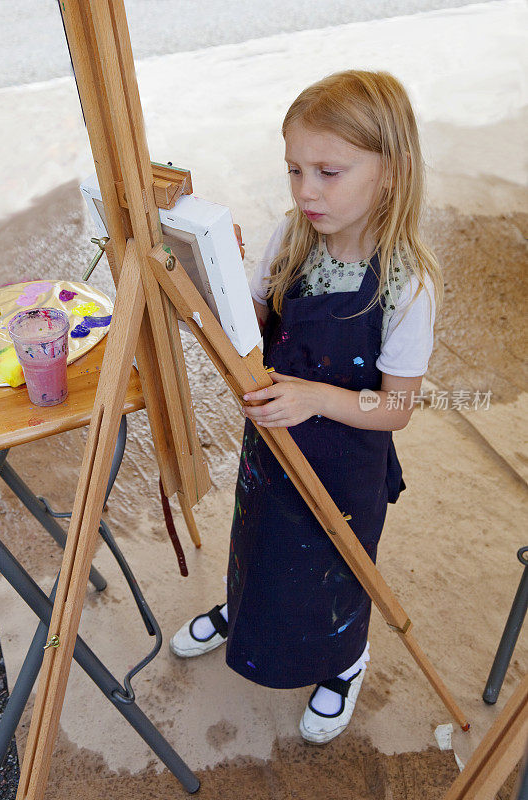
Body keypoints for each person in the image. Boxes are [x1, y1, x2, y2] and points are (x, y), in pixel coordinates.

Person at [170, 70, 443, 744]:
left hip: (345, 467)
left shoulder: (408, 283)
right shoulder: (291, 240)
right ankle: (244, 606)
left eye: (327, 170)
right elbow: (256, 326)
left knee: (330, 568)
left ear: (391, 171)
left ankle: (344, 661)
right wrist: (218, 276)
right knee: (260, 542)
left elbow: (396, 408)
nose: (304, 191)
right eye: (293, 169)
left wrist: (315, 397)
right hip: (272, 448)